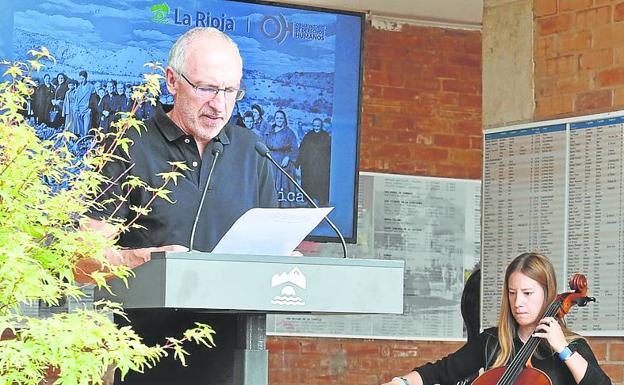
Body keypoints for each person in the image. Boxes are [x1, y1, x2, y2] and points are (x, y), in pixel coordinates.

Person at [81, 27, 277, 385]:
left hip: (238, 364)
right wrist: (141, 260)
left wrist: (286, 261)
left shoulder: (253, 151)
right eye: (206, 88)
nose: (219, 105)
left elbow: (270, 253)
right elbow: (83, 258)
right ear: (172, 81)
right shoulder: (128, 145)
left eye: (230, 91)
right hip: (143, 362)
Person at [381, 253, 612, 385]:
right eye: (512, 293)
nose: (518, 302)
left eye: (527, 293)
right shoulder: (493, 340)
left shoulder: (571, 347)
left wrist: (562, 349)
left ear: (547, 294)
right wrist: (401, 382)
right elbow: (441, 371)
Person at [263, 109, 298, 207]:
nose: (279, 120)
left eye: (281, 118)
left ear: (284, 119)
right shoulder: (269, 131)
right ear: (274, 119)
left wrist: (288, 157)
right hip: (271, 161)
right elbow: (263, 144)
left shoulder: (289, 132)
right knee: (270, 186)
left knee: (284, 187)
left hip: (283, 163)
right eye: (277, 118)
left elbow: (294, 148)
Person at [295, 117, 331, 206]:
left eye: (318, 126)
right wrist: (298, 162)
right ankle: (309, 202)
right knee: (308, 185)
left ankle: (321, 203)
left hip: (321, 167)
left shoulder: (326, 136)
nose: (316, 127)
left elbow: (329, 152)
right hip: (308, 166)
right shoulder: (308, 135)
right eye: (314, 125)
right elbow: (302, 149)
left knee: (320, 186)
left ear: (321, 126)